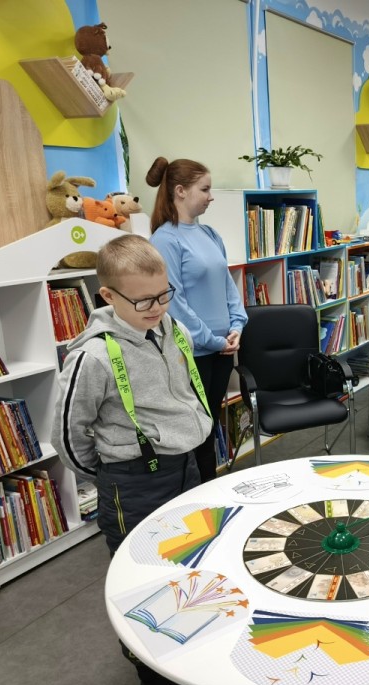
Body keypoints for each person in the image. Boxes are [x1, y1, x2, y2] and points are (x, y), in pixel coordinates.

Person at [53, 235, 209, 685]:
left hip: (185, 467)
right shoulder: (93, 357)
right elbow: (67, 435)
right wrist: (110, 474)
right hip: (133, 482)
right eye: (143, 300)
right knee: (144, 587)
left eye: (164, 295)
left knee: (189, 569)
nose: (157, 308)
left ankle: (186, 665)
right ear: (108, 296)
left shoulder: (170, 328)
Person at [147, 157, 247, 481]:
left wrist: (237, 325)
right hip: (194, 353)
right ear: (180, 191)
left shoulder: (210, 234)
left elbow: (228, 285)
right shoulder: (165, 240)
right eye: (204, 189)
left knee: (210, 423)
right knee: (197, 433)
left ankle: (208, 491)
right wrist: (213, 340)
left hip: (223, 349)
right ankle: (201, 498)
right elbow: (174, 303)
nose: (211, 196)